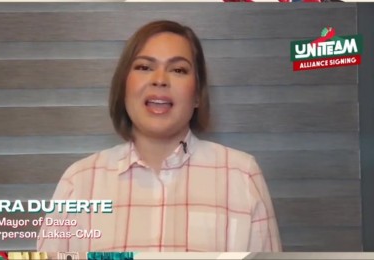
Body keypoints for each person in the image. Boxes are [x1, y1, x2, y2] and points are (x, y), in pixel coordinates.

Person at [37, 20, 282, 252]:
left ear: (197, 95)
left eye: (178, 69)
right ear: (124, 87)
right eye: (144, 67)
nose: (160, 80)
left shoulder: (241, 175)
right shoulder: (78, 183)